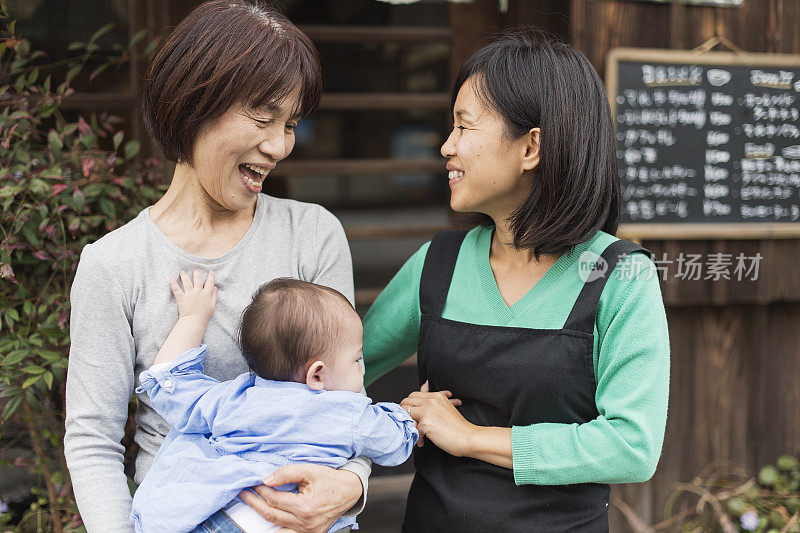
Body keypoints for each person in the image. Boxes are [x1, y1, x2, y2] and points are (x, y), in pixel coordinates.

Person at [64, 3, 370, 532]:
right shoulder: (114, 264)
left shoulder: (312, 234)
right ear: (194, 101)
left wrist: (354, 484)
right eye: (262, 115)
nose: (278, 145)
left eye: (291, 123)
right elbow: (93, 439)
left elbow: (346, 398)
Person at [362, 28, 670, 532]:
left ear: (531, 148)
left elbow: (631, 447)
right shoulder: (436, 263)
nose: (446, 147)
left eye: (465, 127)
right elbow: (339, 376)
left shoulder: (619, 274)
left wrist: (469, 438)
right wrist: (392, 424)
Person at [130, 273, 418, 533]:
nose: (361, 368)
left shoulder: (234, 399)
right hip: (280, 520)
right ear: (317, 374)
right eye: (357, 359)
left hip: (205, 516)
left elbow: (170, 382)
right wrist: (411, 412)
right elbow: (394, 441)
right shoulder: (348, 413)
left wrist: (192, 318)